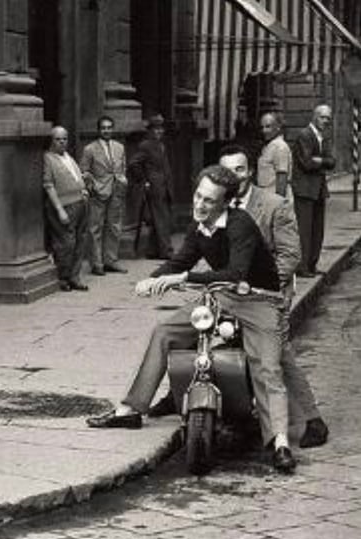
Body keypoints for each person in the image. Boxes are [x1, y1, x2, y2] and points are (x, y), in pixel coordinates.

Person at [86, 165, 298, 474]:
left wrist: (182, 278)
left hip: (259, 301)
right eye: (198, 196)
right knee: (164, 331)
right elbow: (181, 260)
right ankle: (131, 409)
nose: (200, 204)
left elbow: (235, 273)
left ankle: (279, 442)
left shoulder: (240, 224)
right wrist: (154, 279)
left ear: (226, 203)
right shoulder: (199, 227)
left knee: (267, 367)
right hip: (220, 297)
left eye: (209, 200)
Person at [219, 145, 328, 448]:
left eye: (240, 169)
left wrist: (259, 285)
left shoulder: (274, 204)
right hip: (233, 291)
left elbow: (290, 255)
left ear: (250, 171)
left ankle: (312, 420)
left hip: (269, 292)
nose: (234, 177)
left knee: (277, 354)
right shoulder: (218, 205)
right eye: (227, 171)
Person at [79, 116, 128, 275]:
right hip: (98, 192)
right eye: (103, 128)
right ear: (99, 130)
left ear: (112, 129)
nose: (106, 131)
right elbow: (84, 171)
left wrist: (122, 180)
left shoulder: (120, 147)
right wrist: (92, 186)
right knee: (95, 228)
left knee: (114, 227)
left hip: (116, 191)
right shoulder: (90, 149)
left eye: (109, 128)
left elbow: (123, 167)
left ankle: (111, 261)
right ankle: (97, 263)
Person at [43, 126, 90, 291]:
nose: (62, 142)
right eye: (58, 139)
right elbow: (48, 185)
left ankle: (74, 277)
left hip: (80, 203)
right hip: (64, 205)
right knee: (65, 243)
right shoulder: (48, 158)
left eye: (64, 139)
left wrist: (83, 186)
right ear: (51, 141)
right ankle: (63, 277)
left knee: (80, 241)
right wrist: (59, 210)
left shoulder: (68, 157)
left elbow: (75, 176)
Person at [291, 104, 335, 277]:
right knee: (305, 230)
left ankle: (312, 264)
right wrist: (324, 161)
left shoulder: (323, 136)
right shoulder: (305, 135)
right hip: (305, 189)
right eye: (323, 117)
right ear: (314, 117)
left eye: (328, 118)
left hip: (318, 189)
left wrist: (320, 160)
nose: (326, 121)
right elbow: (307, 163)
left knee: (317, 230)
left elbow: (332, 162)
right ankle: (302, 267)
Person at [128, 114, 175, 259]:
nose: (159, 131)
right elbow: (133, 163)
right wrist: (145, 180)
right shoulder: (146, 145)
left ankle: (152, 251)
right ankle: (166, 251)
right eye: (156, 129)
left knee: (157, 219)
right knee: (162, 219)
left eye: (161, 128)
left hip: (164, 186)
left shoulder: (161, 145)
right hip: (155, 187)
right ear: (150, 130)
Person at [257, 112, 293, 201]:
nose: (264, 130)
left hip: (274, 197)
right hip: (266, 195)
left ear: (278, 127)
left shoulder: (280, 147)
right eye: (262, 127)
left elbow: (282, 177)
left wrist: (279, 202)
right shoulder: (269, 146)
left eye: (268, 127)